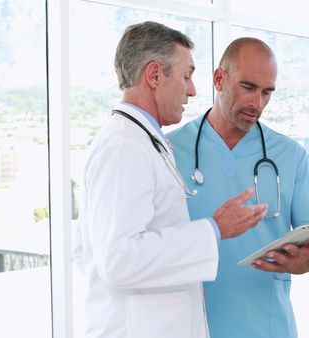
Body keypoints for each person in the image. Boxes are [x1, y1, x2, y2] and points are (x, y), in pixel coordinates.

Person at [72, 22, 268, 338]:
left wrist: (180, 284)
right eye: (187, 76)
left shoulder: (143, 141)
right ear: (154, 75)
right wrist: (214, 229)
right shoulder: (125, 147)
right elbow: (118, 258)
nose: (192, 90)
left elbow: (86, 251)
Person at [167, 37, 309, 338]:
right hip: (192, 326)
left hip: (268, 326)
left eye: (267, 92)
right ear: (219, 79)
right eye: (248, 87)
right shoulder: (170, 151)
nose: (257, 103)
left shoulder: (290, 155)